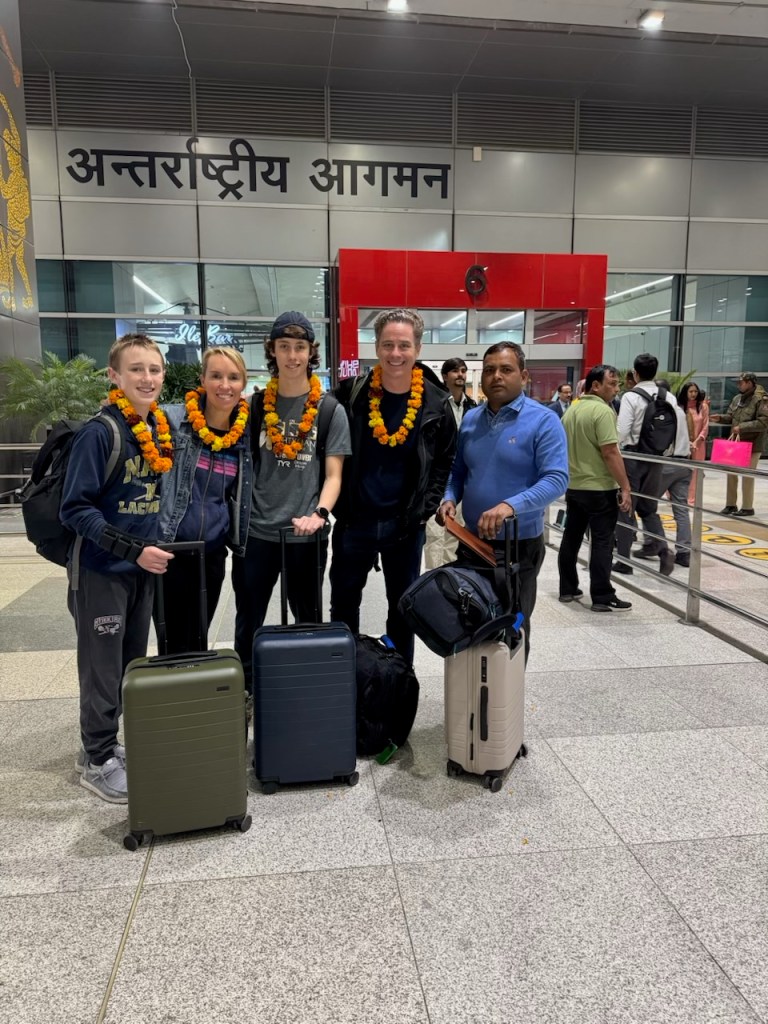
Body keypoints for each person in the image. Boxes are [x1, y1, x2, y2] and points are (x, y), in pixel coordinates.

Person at [60, 334, 174, 803]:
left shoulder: (154, 428)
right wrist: (131, 550)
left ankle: (107, 746)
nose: (147, 378)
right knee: (101, 668)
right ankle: (96, 758)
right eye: (136, 369)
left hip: (139, 571)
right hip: (101, 571)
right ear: (114, 376)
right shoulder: (99, 433)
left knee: (128, 664)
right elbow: (75, 510)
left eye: (154, 369)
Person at [232, 312, 351, 691]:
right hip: (256, 534)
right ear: (272, 350)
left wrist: (320, 514)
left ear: (311, 352)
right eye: (284, 347)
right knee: (248, 618)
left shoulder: (329, 411)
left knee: (308, 619)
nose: (292, 356)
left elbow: (334, 475)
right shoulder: (253, 407)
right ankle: (246, 690)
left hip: (306, 535)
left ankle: (305, 691)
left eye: (300, 347)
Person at [330, 308, 456, 664]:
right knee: (343, 605)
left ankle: (400, 681)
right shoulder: (351, 395)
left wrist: (425, 508)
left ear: (418, 348)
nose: (395, 353)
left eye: (404, 345)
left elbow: (445, 458)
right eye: (387, 345)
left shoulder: (437, 403)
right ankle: (346, 676)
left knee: (403, 608)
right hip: (355, 522)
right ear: (376, 347)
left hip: (405, 526)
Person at [438, 341, 568, 659]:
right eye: (490, 370)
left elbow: (556, 479)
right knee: (470, 622)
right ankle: (474, 688)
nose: (496, 376)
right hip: (472, 543)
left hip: (517, 547)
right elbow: (458, 471)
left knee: (513, 627)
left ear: (523, 376)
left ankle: (508, 691)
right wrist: (450, 498)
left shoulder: (543, 420)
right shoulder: (471, 420)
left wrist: (510, 506)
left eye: (506, 369)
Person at [158, 347, 251, 653]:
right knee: (172, 642)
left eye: (233, 377)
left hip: (211, 553)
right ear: (203, 380)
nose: (225, 385)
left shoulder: (245, 434)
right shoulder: (173, 421)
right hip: (171, 549)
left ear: (243, 383)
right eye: (216, 376)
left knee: (199, 637)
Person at [557, 365, 632, 611]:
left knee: (571, 538)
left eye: (618, 384)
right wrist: (625, 486)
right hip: (600, 488)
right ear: (596, 385)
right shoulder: (603, 411)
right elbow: (610, 451)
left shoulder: (572, 409)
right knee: (602, 542)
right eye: (612, 383)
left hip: (575, 486)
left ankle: (567, 588)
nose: (616, 389)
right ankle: (602, 595)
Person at [614, 353, 677, 577]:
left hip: (633, 457)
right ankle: (663, 550)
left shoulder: (631, 397)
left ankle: (623, 560)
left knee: (625, 507)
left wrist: (617, 451)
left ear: (635, 373)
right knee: (649, 508)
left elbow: (622, 431)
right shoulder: (669, 397)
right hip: (656, 460)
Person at [423, 357, 476, 570]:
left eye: (463, 370)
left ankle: (451, 578)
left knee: (456, 531)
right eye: (455, 371)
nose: (460, 374)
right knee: (435, 533)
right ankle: (434, 577)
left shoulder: (473, 407)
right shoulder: (435, 404)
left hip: (462, 477)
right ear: (445, 376)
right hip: (437, 478)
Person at [635, 379, 692, 569]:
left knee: (646, 504)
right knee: (681, 508)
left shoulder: (662, 411)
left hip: (667, 463)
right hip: (685, 463)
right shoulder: (680, 411)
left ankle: (652, 543)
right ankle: (684, 552)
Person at [710, 372, 768, 516]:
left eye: (741, 382)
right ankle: (731, 505)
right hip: (737, 443)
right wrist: (720, 418)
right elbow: (731, 416)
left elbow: (763, 422)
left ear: (750, 383)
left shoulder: (761, 399)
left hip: (752, 444)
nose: (738, 385)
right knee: (731, 473)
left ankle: (747, 507)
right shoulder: (737, 398)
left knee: (747, 475)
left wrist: (742, 427)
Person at [678, 381, 709, 505]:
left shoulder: (703, 407)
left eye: (695, 391)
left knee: (696, 473)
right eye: (690, 391)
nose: (693, 394)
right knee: (680, 471)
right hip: (683, 445)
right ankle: (677, 497)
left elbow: (705, 426)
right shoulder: (679, 407)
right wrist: (687, 442)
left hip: (699, 445)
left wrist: (697, 441)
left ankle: (691, 499)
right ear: (685, 392)